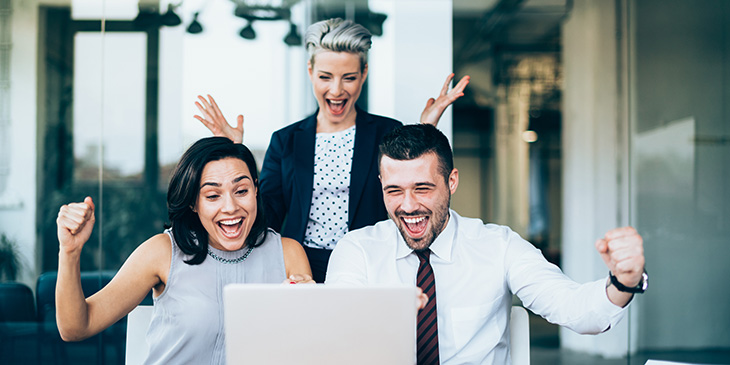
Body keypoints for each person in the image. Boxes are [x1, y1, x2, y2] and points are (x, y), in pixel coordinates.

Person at [325, 124, 647, 364]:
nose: (408, 206)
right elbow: (336, 333)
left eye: (422, 188)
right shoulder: (357, 250)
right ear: (381, 184)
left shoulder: (499, 246)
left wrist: (623, 282)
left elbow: (575, 310)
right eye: (394, 190)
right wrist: (383, 316)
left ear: (451, 182)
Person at [194, 18, 470, 283]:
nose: (336, 90)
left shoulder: (385, 133)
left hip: (369, 263)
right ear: (310, 71)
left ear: (364, 74)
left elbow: (413, 180)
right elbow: (266, 214)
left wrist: (426, 128)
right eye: (325, 76)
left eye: (348, 77)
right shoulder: (285, 140)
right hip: (299, 267)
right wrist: (234, 152)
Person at [55, 137, 313, 364]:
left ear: (256, 190)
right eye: (213, 196)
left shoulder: (288, 254)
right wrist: (69, 252)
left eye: (241, 191)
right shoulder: (162, 251)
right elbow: (76, 327)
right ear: (193, 203)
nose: (231, 207)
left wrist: (308, 309)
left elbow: (308, 350)